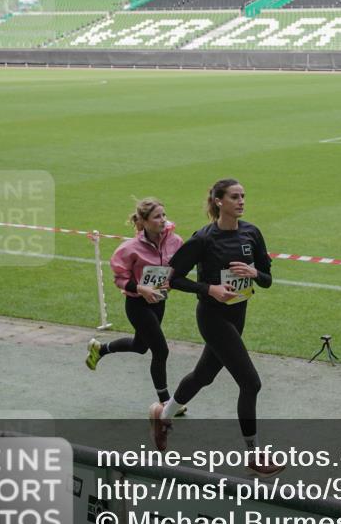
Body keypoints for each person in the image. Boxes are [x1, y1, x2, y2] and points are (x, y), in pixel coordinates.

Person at [149, 178, 283, 477]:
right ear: (218, 201)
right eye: (234, 197)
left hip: (238, 314)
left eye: (243, 196)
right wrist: (210, 289)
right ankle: (254, 454)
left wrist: (254, 272)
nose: (241, 201)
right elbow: (173, 278)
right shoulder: (204, 239)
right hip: (212, 317)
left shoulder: (252, 233)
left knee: (203, 376)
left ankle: (163, 414)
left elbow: (267, 278)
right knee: (251, 383)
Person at [85, 198, 183, 409]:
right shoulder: (129, 249)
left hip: (159, 302)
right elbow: (119, 279)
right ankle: (166, 401)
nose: (163, 220)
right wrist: (141, 289)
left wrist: (172, 281)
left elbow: (179, 267)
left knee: (140, 346)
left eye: (164, 215)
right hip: (138, 305)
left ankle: (100, 349)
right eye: (157, 216)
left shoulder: (175, 241)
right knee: (161, 351)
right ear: (144, 222)